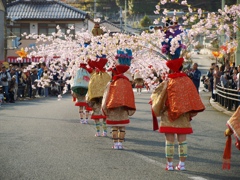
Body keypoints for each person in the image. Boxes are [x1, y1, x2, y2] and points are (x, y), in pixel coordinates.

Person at [151, 58, 205, 171]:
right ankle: (182, 164)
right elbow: (193, 97)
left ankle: (169, 165)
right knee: (182, 140)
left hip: (168, 114)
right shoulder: (187, 81)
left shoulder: (168, 82)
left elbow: (158, 97)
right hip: (183, 114)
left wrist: (156, 105)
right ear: (181, 68)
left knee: (169, 140)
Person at [102, 65, 136, 150]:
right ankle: (120, 144)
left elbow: (106, 96)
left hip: (113, 108)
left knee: (114, 127)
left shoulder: (111, 83)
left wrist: (104, 108)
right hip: (123, 108)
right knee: (122, 127)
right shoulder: (126, 82)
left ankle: (115, 143)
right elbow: (130, 95)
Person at [87, 58, 111, 137]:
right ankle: (104, 131)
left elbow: (90, 87)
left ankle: (98, 132)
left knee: (96, 116)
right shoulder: (107, 76)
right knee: (104, 116)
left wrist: (89, 99)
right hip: (105, 99)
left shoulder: (94, 77)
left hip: (95, 99)